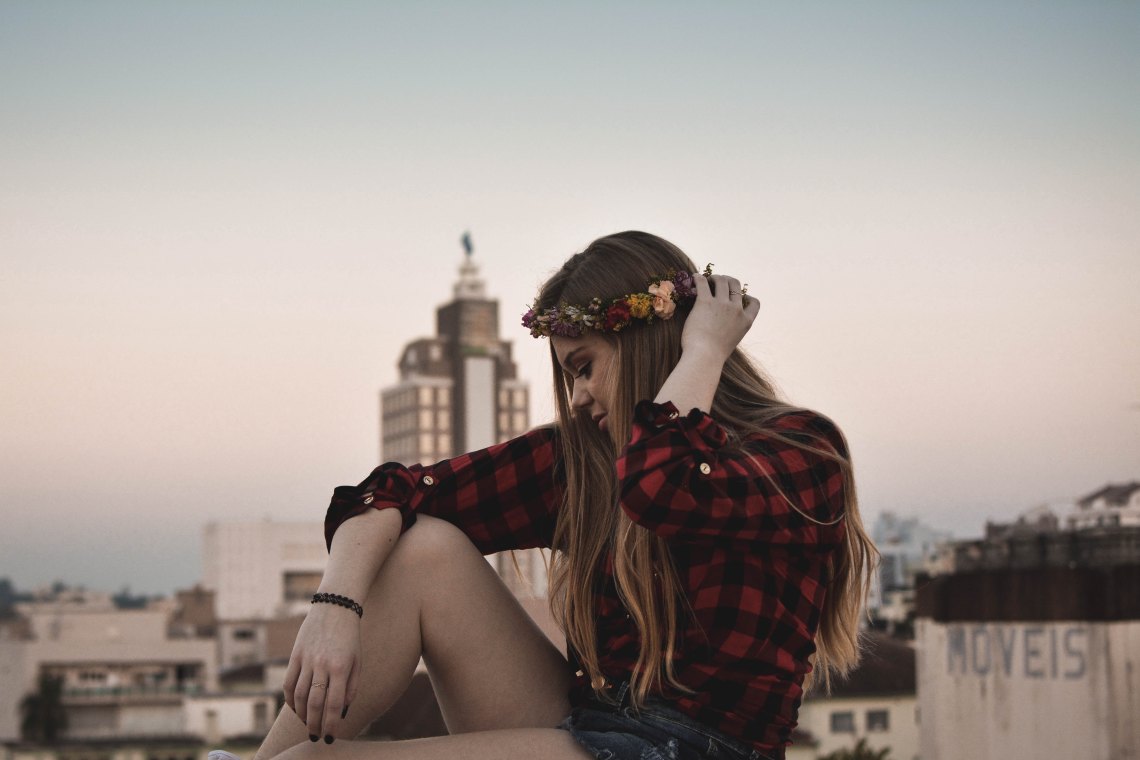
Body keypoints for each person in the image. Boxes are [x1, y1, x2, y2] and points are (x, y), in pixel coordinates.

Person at [236, 231, 877, 760]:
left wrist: (703, 346)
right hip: (588, 726)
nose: (577, 398)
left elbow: (661, 485)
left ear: (650, 343)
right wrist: (334, 607)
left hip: (700, 749)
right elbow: (394, 493)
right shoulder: (586, 460)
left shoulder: (799, 451)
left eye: (585, 368)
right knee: (426, 544)